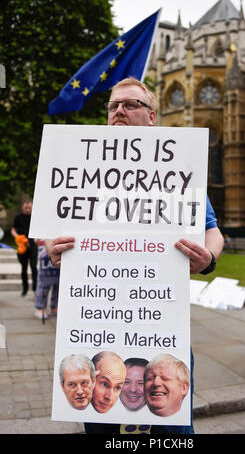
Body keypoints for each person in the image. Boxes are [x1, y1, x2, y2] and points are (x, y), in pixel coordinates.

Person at [46, 77, 224, 434]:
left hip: (160, 325)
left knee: (169, 429)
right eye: (113, 106)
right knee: (104, 428)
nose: (119, 111)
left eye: (130, 104)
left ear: (152, 117)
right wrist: (53, 246)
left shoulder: (177, 169)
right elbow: (58, 227)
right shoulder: (82, 169)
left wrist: (209, 256)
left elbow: (211, 230)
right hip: (97, 324)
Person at [11, 200, 38, 296]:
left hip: (33, 245)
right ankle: (25, 289)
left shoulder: (35, 217)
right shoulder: (18, 217)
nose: (27, 209)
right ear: (23, 207)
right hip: (22, 245)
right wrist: (18, 238)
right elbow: (13, 230)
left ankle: (35, 289)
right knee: (24, 269)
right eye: (26, 208)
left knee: (34, 268)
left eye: (29, 208)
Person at [34, 239, 60, 319]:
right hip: (45, 253)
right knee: (43, 285)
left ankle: (55, 306)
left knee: (58, 285)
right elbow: (37, 239)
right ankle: (40, 308)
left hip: (59, 251)